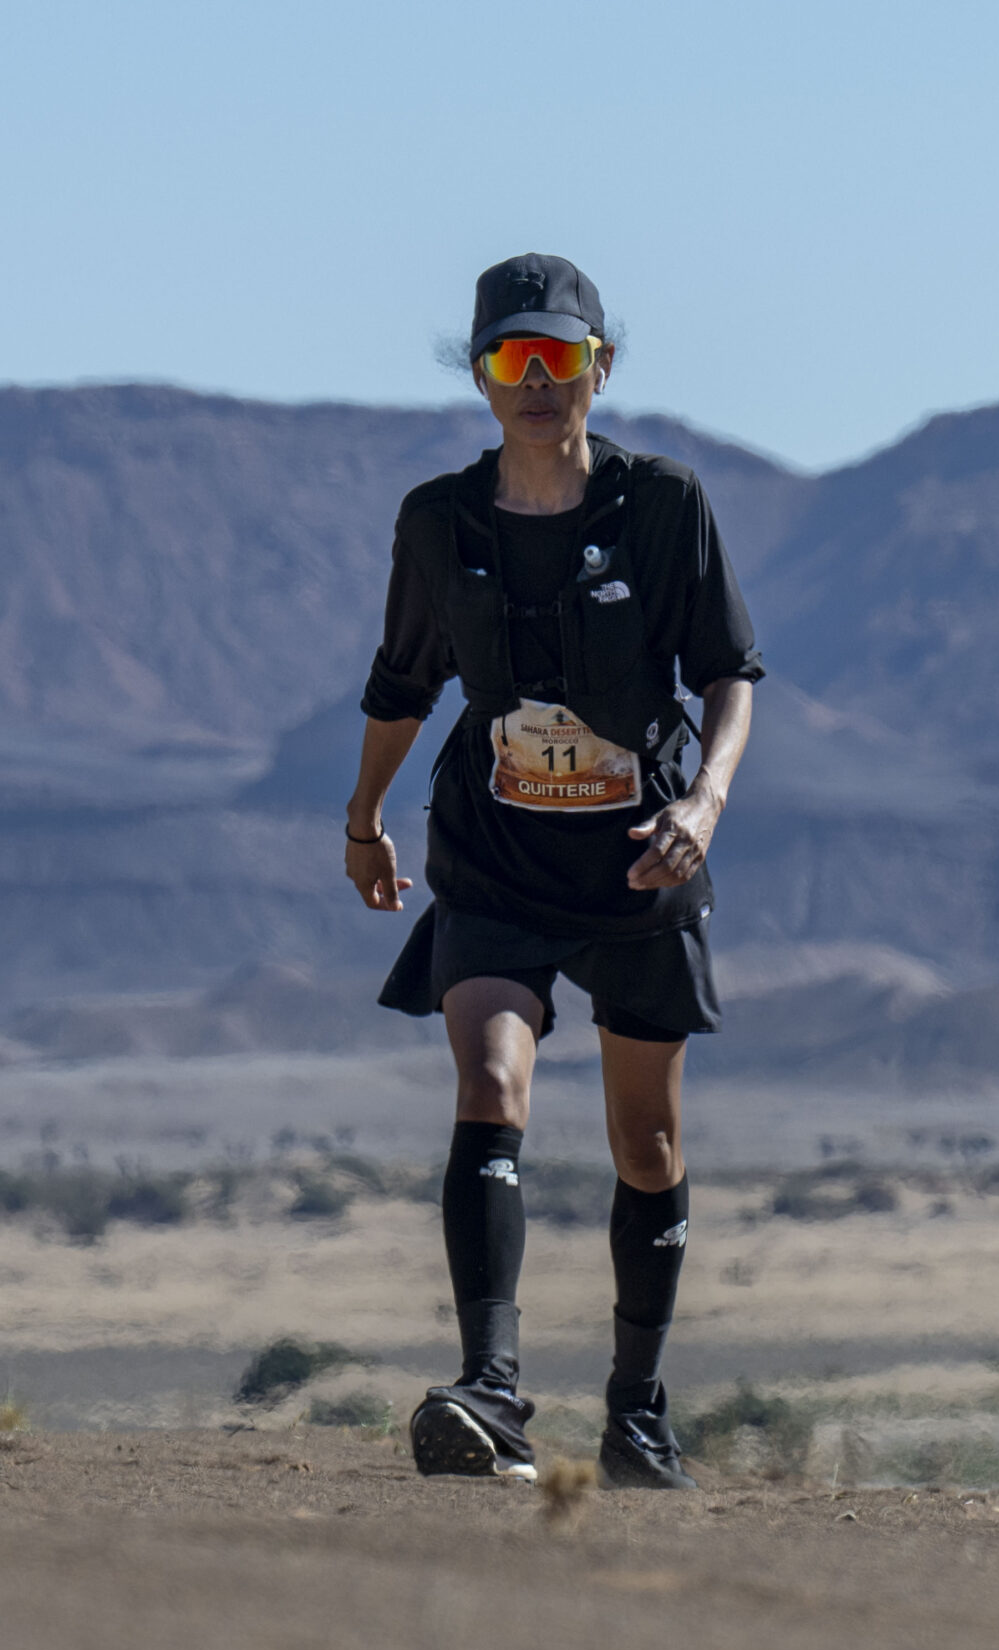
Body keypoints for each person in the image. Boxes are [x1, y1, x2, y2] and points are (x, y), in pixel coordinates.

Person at [344, 253, 761, 1491]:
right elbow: (401, 680)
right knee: (489, 1074)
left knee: (645, 1141)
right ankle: (491, 1386)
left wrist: (704, 801)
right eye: (511, 359)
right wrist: (364, 814)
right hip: (495, 851)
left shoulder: (665, 506)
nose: (537, 382)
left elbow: (731, 670)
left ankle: (637, 1409)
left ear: (601, 367)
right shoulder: (439, 521)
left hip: (638, 859)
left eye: (559, 358)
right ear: (479, 376)